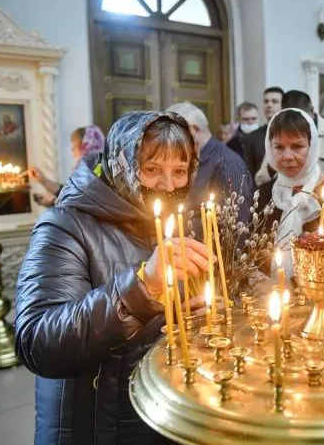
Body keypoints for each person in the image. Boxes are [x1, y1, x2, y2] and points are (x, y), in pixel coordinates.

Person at [14, 111, 213, 445]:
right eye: (152, 169)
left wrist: (202, 316)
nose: (168, 185)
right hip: (94, 424)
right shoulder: (66, 225)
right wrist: (140, 288)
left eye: (179, 171)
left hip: (160, 416)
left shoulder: (176, 224)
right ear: (121, 164)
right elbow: (38, 342)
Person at [257, 108, 324, 277]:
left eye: (297, 146)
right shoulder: (262, 196)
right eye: (278, 147)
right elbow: (252, 255)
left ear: (313, 146)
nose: (287, 156)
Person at [167, 101, 254, 227]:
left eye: (173, 133)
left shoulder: (227, 164)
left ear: (194, 129)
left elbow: (234, 230)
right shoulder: (190, 158)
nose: (168, 140)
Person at [276, 90, 324, 181]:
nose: (295, 125)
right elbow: (262, 179)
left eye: (300, 118)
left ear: (311, 110)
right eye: (290, 119)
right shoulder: (277, 135)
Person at [29, 125, 105, 207]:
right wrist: (43, 180)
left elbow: (84, 203)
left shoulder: (97, 169)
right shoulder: (95, 165)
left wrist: (53, 201)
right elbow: (71, 192)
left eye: (75, 145)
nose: (72, 149)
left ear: (86, 146)